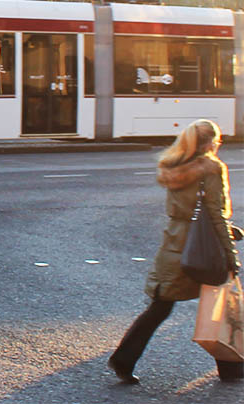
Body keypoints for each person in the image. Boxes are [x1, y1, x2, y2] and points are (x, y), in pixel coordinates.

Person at [109, 119, 243, 384]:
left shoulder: (174, 166)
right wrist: (231, 254)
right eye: (217, 141)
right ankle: (231, 369)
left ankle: (123, 359)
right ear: (210, 142)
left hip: (176, 243)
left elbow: (191, 210)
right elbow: (215, 214)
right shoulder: (211, 167)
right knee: (222, 302)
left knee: (160, 305)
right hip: (206, 245)